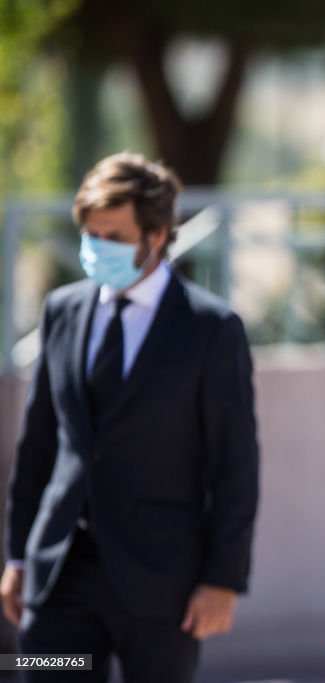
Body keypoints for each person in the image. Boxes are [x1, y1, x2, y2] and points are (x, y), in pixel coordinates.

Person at [0, 152, 260, 683]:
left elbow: (235, 465)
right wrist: (18, 557)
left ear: (159, 235)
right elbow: (39, 446)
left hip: (165, 586)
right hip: (58, 574)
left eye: (113, 237)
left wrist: (223, 579)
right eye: (90, 234)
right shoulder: (61, 311)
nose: (97, 249)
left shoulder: (212, 329)